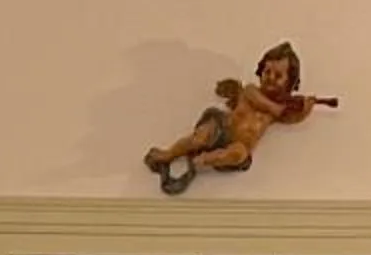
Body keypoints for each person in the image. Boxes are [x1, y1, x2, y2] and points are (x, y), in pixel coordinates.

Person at [145, 42, 339, 196]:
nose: (270, 77)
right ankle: (169, 154)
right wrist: (279, 107)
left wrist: (305, 108)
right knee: (199, 138)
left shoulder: (277, 112)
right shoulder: (251, 91)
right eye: (267, 72)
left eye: (278, 75)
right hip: (222, 126)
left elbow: (292, 118)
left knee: (239, 154)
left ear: (289, 83)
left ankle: (203, 160)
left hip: (240, 143)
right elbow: (263, 103)